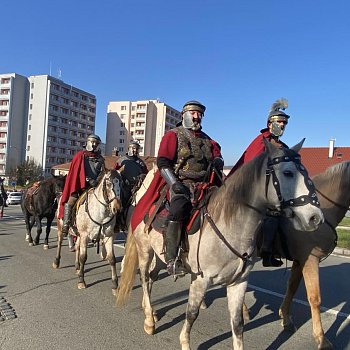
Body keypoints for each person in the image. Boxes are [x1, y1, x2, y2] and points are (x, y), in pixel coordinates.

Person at [131, 100, 223, 276]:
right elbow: (163, 162)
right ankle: (173, 259)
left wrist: (218, 160)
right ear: (184, 115)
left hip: (204, 185)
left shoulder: (206, 139)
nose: (197, 117)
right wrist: (175, 184)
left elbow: (217, 154)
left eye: (199, 114)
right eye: (193, 113)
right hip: (179, 183)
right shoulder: (173, 135)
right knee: (178, 208)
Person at [227, 98, 290, 267]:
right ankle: (266, 251)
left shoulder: (284, 146)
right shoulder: (261, 141)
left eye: (285, 123)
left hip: (276, 190)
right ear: (270, 123)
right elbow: (251, 168)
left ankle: (282, 248)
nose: (282, 125)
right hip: (255, 189)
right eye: (279, 122)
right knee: (273, 214)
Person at [59, 134, 105, 236]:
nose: (94, 145)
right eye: (93, 142)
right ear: (88, 142)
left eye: (96, 143)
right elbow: (77, 172)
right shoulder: (80, 156)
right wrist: (87, 180)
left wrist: (96, 181)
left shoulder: (100, 158)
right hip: (80, 186)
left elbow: (102, 172)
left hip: (95, 186)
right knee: (71, 201)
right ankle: (66, 224)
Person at [115, 140, 148, 208]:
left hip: (137, 188)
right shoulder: (121, 161)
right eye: (133, 148)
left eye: (136, 148)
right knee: (123, 203)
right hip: (124, 187)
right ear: (129, 148)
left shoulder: (141, 163)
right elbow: (115, 174)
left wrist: (143, 176)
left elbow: (146, 174)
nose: (135, 150)